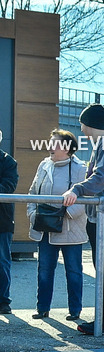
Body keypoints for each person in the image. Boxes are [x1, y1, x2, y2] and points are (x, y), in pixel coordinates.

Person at [61, 104, 104, 335]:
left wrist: (76, 189)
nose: (82, 130)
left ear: (87, 125)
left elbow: (100, 179)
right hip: (101, 218)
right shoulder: (103, 145)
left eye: (82, 125)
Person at [27, 129, 88, 320]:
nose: (50, 147)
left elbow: (86, 198)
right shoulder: (44, 165)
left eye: (55, 143)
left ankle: (75, 311)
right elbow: (32, 193)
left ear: (68, 148)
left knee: (74, 271)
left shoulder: (80, 168)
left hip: (70, 229)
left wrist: (66, 214)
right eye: (50, 142)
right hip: (45, 229)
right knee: (44, 270)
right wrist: (32, 214)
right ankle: (42, 308)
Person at [0, 129, 18, 315]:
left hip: (2, 221)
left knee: (2, 261)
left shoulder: (8, 162)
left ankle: (3, 301)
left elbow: (9, 186)